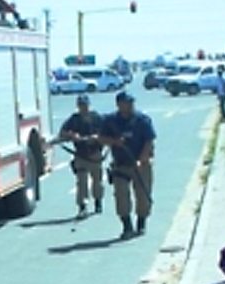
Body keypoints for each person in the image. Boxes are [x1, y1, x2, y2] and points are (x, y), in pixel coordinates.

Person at [99, 90, 156, 240]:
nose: (130, 105)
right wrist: (114, 142)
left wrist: (142, 159)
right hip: (121, 164)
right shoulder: (110, 121)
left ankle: (141, 222)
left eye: (131, 103)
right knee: (121, 195)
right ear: (119, 105)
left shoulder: (142, 120)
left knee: (143, 195)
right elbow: (101, 138)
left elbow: (149, 140)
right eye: (126, 103)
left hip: (141, 163)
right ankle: (127, 225)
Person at [58, 94, 105, 220]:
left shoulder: (96, 117)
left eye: (85, 105)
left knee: (97, 181)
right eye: (81, 105)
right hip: (81, 154)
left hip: (95, 153)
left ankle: (98, 201)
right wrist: (72, 135)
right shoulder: (74, 119)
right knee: (81, 182)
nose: (83, 108)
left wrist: (96, 137)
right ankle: (82, 206)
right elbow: (62, 132)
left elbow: (106, 130)